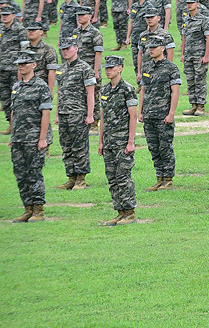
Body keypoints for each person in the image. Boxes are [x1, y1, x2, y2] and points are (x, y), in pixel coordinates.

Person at [9, 51, 52, 223]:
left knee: (34, 174)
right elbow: (14, 112)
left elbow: (46, 113)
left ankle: (38, 210)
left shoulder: (41, 86)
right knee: (21, 174)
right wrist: (13, 135)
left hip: (33, 138)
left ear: (33, 65)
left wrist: (42, 138)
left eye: (25, 63)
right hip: (19, 139)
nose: (21, 66)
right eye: (19, 63)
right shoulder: (16, 86)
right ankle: (27, 208)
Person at [98, 55, 139, 226]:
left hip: (122, 141)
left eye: (112, 67)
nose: (108, 70)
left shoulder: (127, 89)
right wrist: (100, 142)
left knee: (123, 177)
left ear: (120, 68)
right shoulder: (105, 90)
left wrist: (130, 141)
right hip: (109, 142)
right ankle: (120, 211)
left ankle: (130, 212)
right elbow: (103, 116)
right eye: (106, 68)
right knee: (112, 178)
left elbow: (133, 116)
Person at [139, 35, 181, 192]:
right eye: (149, 47)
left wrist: (171, 113)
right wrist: (141, 111)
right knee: (153, 148)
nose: (151, 49)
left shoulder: (171, 68)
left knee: (165, 148)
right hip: (149, 114)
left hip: (163, 115)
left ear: (163, 48)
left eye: (154, 47)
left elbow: (175, 92)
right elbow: (143, 90)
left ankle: (168, 179)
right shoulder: (147, 67)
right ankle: (159, 178)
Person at [55, 38, 96, 190]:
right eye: (63, 49)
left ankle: (81, 179)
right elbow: (60, 92)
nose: (65, 51)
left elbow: (91, 93)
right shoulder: (61, 69)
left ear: (76, 48)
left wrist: (90, 115)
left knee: (79, 146)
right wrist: (58, 114)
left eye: (68, 48)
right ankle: (71, 177)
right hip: (64, 113)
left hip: (78, 113)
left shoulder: (85, 68)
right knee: (66, 146)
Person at [0, 7, 27, 134]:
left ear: (13, 15)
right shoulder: (1, 28)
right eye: (2, 15)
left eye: (7, 15)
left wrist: (21, 69)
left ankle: (18, 125)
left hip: (14, 70)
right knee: (5, 99)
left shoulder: (19, 29)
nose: (4, 17)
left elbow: (24, 50)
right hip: (2, 69)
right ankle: (11, 124)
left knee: (16, 97)